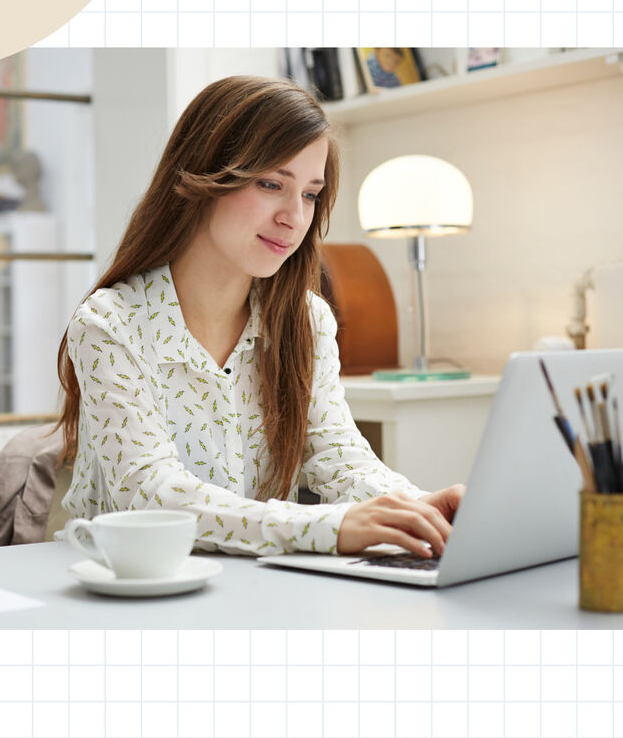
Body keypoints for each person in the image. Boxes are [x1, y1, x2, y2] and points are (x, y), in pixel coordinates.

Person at [56, 75, 463, 558]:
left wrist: (417, 508)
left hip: (256, 588)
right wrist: (328, 527)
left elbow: (338, 455)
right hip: (128, 592)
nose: (294, 216)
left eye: (311, 194)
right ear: (204, 175)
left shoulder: (306, 321)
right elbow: (152, 494)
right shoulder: (109, 324)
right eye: (271, 184)